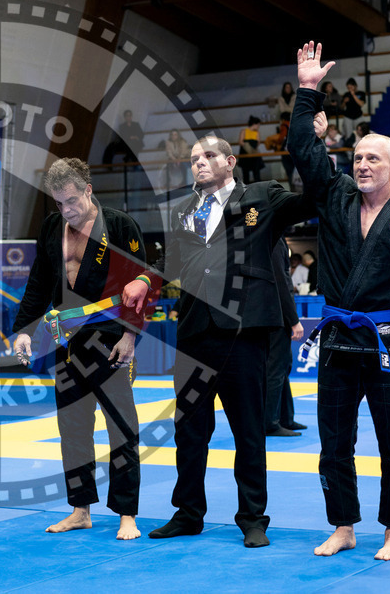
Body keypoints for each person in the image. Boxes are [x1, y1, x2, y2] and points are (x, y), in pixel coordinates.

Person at [121, 135, 315, 548]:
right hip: (193, 333)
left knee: (248, 430)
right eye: (194, 159)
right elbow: (170, 262)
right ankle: (189, 512)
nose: (199, 163)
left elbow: (310, 202)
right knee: (189, 432)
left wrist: (310, 142)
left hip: (243, 334)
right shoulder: (184, 210)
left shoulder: (261, 197)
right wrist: (144, 278)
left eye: (208, 156)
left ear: (230, 161)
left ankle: (252, 518)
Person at [291, 40, 390, 561]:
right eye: (356, 157)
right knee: (333, 444)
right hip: (337, 341)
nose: (361, 165)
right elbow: (303, 150)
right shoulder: (334, 198)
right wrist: (308, 92)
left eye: (372, 158)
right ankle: (343, 525)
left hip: (388, 342)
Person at [12, 158, 145, 540]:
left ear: (88, 190)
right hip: (65, 342)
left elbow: (143, 283)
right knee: (72, 429)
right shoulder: (54, 227)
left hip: (109, 340)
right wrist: (23, 329)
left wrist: (130, 336)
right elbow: (38, 282)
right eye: (59, 203)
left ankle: (127, 515)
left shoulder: (118, 225)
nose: (66, 210)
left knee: (121, 428)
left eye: (71, 201)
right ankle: (80, 508)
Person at [266, 240, 306, 436]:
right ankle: (270, 422)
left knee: (283, 366)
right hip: (276, 315)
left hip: (273, 313)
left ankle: (285, 418)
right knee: (275, 369)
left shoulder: (274, 239)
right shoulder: (274, 242)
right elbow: (282, 282)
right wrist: (293, 319)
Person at [238, 115, 265, 184]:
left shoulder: (257, 132)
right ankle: (246, 191)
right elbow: (240, 142)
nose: (258, 126)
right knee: (245, 174)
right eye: (258, 125)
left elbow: (258, 142)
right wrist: (247, 146)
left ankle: (258, 189)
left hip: (254, 154)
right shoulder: (244, 131)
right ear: (254, 124)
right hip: (245, 153)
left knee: (256, 173)